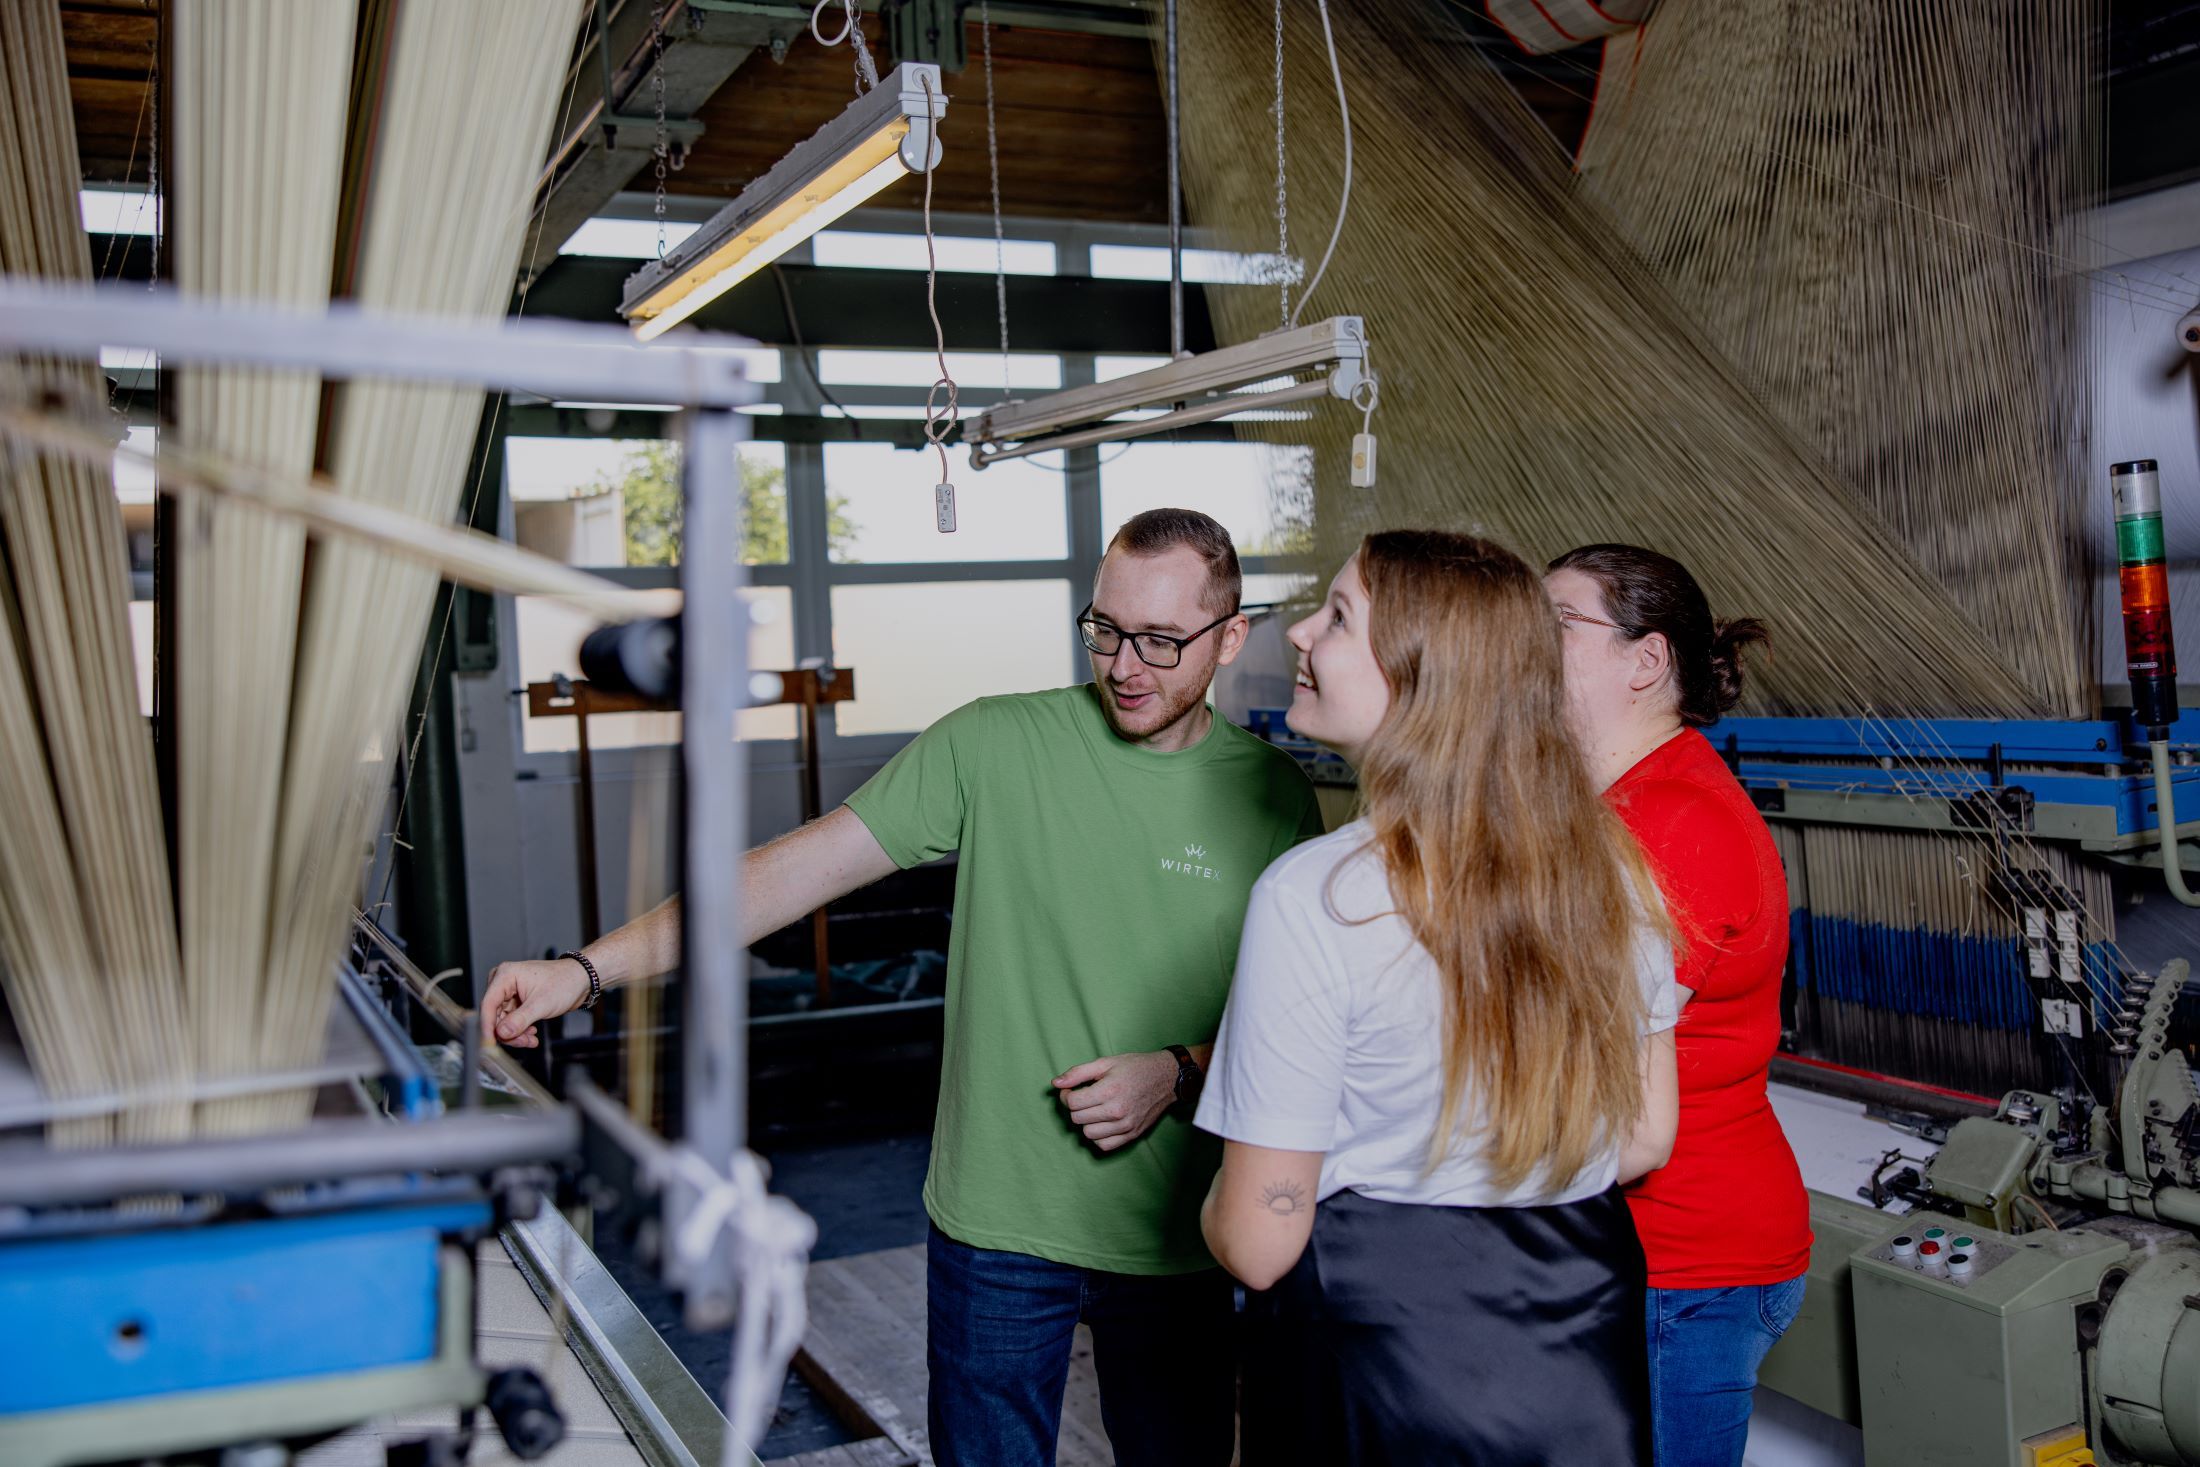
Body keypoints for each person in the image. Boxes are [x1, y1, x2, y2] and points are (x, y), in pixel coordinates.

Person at [482, 508, 1324, 1467]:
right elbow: (779, 875)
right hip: (996, 1230)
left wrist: (1178, 1071)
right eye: (1104, 630)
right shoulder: (996, 744)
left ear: (1229, 637)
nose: (1126, 665)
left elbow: (1300, 1028)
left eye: (1162, 642)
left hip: (1180, 1239)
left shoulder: (1272, 795)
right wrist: (586, 970)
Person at [1196, 529, 1680, 1465]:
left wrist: (1210, 1198)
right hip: (1580, 1348)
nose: (1300, 633)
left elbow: (1259, 1242)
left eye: (1338, 616)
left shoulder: (1317, 895)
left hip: (1387, 1355)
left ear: (1422, 677)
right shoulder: (1614, 876)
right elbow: (1643, 1137)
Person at [1545, 543, 1811, 1467]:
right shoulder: (1624, 802)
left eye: (1559, 624)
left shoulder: (1672, 822)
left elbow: (1577, 1052)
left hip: (1688, 1262)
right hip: (1651, 1248)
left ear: (1645, 661)